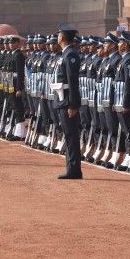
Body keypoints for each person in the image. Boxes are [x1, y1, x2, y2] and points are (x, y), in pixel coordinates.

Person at [53, 23, 82, 179]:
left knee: (71, 136)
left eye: (58, 34)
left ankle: (74, 170)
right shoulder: (65, 53)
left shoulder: (70, 54)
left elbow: (72, 81)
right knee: (68, 135)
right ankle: (72, 168)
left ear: (62, 37)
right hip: (62, 99)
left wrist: (73, 104)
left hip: (67, 102)